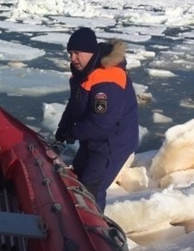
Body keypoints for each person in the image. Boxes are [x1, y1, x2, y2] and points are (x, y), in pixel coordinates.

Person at [55, 27, 138, 212]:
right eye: (70, 53)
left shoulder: (108, 79)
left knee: (91, 189)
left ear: (91, 51)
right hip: (93, 138)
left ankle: (94, 231)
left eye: (77, 53)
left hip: (112, 143)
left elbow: (102, 122)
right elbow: (74, 103)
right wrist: (63, 129)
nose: (72, 58)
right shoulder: (84, 72)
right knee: (77, 177)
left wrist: (73, 133)